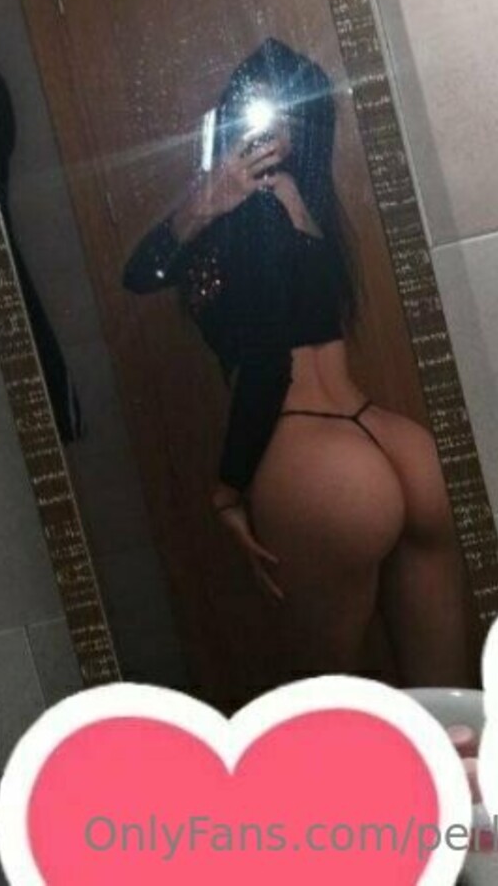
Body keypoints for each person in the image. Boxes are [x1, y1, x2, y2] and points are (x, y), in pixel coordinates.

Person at [123, 38, 469, 684]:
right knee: (445, 700)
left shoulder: (249, 214)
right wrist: (210, 198)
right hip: (396, 443)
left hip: (315, 460)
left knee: (325, 706)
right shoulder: (308, 209)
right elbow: (144, 275)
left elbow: (264, 360)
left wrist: (228, 489)